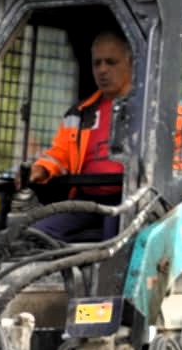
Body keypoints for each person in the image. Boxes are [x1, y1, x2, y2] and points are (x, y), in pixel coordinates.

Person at [24, 30, 133, 241]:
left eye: (111, 62)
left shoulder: (150, 112)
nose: (102, 70)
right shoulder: (79, 114)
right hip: (86, 199)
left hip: (128, 198)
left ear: (131, 63)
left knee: (114, 243)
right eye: (97, 63)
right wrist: (40, 169)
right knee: (35, 235)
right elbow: (59, 154)